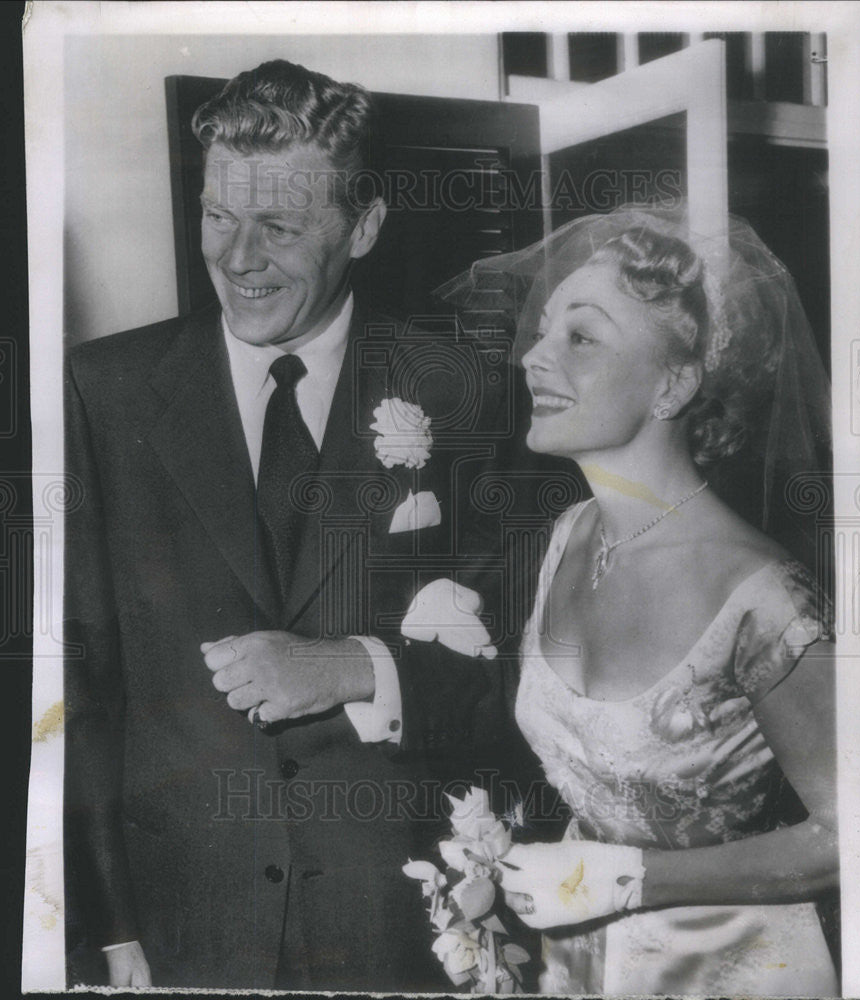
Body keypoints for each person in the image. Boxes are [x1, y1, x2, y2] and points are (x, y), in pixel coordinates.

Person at [63, 59, 573, 992]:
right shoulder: (104, 392)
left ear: (365, 226)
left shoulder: (472, 398)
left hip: (403, 924)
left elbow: (540, 684)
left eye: (279, 226)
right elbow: (83, 692)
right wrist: (107, 929)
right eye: (219, 215)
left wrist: (355, 666)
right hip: (181, 932)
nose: (237, 256)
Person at [439, 208, 839, 996]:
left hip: (727, 967)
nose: (533, 358)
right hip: (579, 961)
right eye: (544, 331)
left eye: (580, 338)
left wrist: (624, 879)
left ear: (674, 384)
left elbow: (853, 836)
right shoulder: (568, 536)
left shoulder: (765, 599)